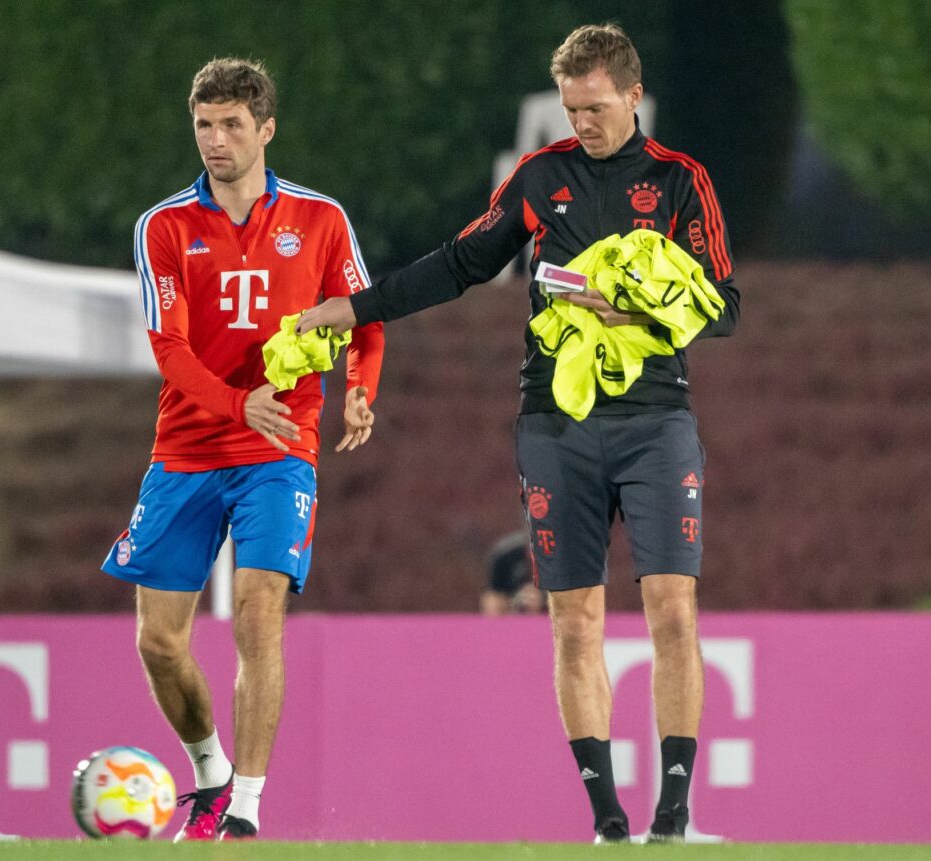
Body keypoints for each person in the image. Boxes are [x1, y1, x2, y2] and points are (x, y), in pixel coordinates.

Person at [297, 23, 738, 844]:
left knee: (672, 610)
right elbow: (463, 261)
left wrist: (637, 308)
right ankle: (607, 817)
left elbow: (726, 303)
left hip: (654, 422)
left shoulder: (682, 182)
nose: (584, 123)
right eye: (572, 108)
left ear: (633, 96)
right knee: (574, 620)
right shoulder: (542, 178)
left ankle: (673, 812)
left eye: (597, 107)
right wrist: (359, 305)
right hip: (553, 424)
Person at [101, 57, 384, 842]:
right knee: (159, 641)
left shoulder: (320, 218)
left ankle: (248, 809)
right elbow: (169, 347)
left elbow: (362, 315)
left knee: (259, 615)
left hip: (282, 448)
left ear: (266, 129)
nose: (216, 140)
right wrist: (235, 401)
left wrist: (361, 385)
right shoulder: (163, 227)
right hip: (188, 448)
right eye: (204, 125)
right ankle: (211, 772)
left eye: (231, 124)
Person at [480, 531, 545, 615]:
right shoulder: (505, 555)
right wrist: (512, 603)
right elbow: (492, 598)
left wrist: (543, 600)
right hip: (509, 612)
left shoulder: (558, 555)